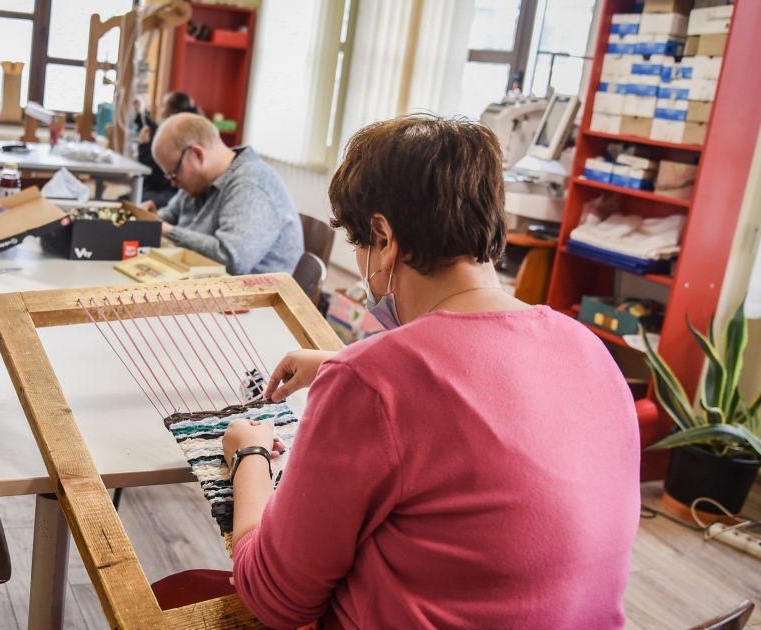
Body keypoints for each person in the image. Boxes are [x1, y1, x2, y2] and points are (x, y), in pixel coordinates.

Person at [211, 116, 640, 628]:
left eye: (360, 247)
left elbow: (277, 598)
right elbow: (483, 399)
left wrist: (250, 457)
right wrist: (338, 365)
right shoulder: (589, 351)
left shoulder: (376, 382)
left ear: (384, 237)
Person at [142, 113, 302, 276]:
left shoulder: (251, 183)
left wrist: (168, 231)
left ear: (197, 154)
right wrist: (153, 219)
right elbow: (171, 214)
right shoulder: (200, 181)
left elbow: (231, 259)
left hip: (251, 293)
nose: (173, 183)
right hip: (202, 280)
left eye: (174, 174)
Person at [135, 91, 201, 208]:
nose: (160, 111)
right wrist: (140, 114)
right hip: (166, 190)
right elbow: (156, 129)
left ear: (170, 114)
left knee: (133, 201)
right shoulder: (185, 130)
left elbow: (156, 176)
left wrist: (144, 146)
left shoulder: (177, 138)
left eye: (162, 107)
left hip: (167, 192)